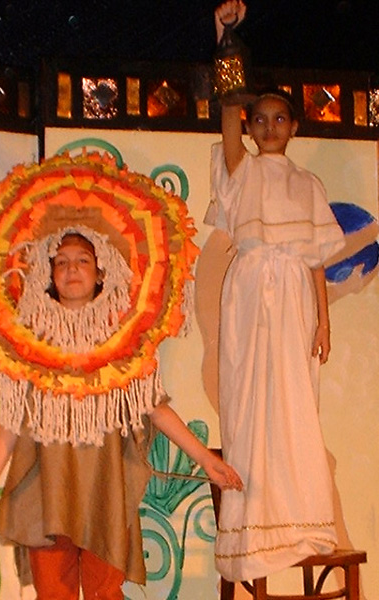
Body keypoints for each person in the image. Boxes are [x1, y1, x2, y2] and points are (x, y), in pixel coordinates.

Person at [0, 230, 243, 600]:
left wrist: (206, 459)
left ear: (100, 272)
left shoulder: (123, 339)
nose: (71, 268)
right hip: (45, 488)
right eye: (61, 262)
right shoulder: (30, 340)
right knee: (53, 593)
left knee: (105, 592)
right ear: (49, 274)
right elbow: (12, 421)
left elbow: (155, 407)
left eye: (83, 260)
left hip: (105, 486)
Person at [206, 0, 346, 583]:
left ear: (295, 126)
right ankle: (252, 529)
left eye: (279, 118)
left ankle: (299, 520)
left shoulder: (307, 183)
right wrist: (225, 39)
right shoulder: (240, 171)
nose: (267, 127)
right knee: (247, 402)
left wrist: (323, 321)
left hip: (293, 297)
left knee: (294, 403)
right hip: (247, 293)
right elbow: (227, 115)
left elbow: (315, 260)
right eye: (259, 119)